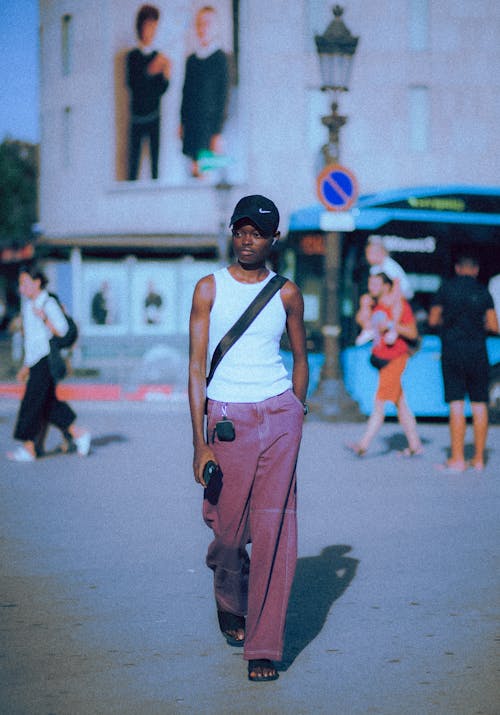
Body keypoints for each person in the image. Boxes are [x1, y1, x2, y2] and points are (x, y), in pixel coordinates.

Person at [188, 195, 308, 682]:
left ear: (272, 239)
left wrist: (296, 409)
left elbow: (301, 356)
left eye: (256, 233)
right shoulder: (208, 289)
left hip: (279, 416)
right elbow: (196, 368)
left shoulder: (287, 294)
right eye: (240, 230)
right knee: (229, 532)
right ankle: (228, 593)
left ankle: (263, 646)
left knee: (276, 532)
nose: (246, 239)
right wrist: (199, 442)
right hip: (228, 419)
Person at [6, 266, 91, 462]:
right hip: (35, 360)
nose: (21, 288)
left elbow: (62, 330)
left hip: (46, 360)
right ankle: (77, 433)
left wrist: (44, 317)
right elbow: (31, 341)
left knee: (31, 403)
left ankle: (30, 448)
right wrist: (26, 365)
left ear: (37, 282)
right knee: (46, 404)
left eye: (24, 283)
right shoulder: (29, 306)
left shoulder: (47, 303)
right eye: (20, 284)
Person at [428, 255, 499, 472]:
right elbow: (495, 326)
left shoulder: (446, 289)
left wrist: (448, 323)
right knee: (479, 405)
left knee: (456, 405)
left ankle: (457, 459)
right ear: (476, 270)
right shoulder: (483, 292)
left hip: (452, 351)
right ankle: (478, 459)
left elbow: (432, 320)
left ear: (458, 269)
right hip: (477, 352)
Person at [348, 272, 422, 457]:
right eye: (370, 283)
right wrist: (364, 306)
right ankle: (415, 444)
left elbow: (413, 333)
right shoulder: (376, 305)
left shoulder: (399, 305)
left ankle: (363, 444)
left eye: (375, 284)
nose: (371, 287)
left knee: (379, 402)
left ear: (387, 286)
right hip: (383, 358)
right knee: (400, 403)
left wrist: (391, 326)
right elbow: (362, 322)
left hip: (395, 358)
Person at [180, 5, 229, 178]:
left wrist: (217, 132)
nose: (203, 28)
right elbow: (185, 93)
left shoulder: (220, 59)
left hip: (209, 128)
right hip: (192, 125)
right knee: (192, 170)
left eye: (208, 23)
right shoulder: (192, 60)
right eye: (200, 24)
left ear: (216, 27)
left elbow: (223, 97)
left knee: (205, 171)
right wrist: (182, 122)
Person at [126, 4, 171, 180]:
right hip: (136, 117)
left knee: (155, 167)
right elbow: (132, 85)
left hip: (154, 117)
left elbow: (161, 90)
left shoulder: (159, 56)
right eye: (148, 26)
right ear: (140, 27)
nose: (151, 31)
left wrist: (166, 74)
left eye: (154, 27)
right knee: (133, 166)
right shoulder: (132, 56)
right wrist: (151, 70)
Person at [356, 236, 413, 346]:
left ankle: (393, 329)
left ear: (380, 253)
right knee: (365, 299)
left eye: (369, 254)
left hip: (401, 294)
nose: (367, 257)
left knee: (397, 302)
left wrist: (389, 299)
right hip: (386, 296)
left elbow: (398, 286)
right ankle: (367, 329)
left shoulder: (389, 265)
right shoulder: (374, 268)